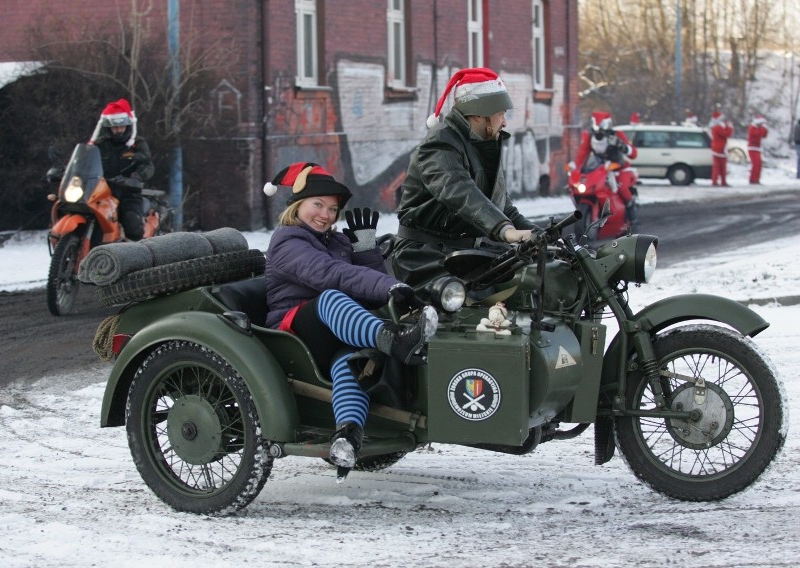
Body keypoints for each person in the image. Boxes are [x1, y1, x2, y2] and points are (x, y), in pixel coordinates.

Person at [262, 162, 438, 482]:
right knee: (331, 297)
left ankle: (348, 435)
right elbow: (333, 276)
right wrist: (389, 287)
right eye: (318, 205)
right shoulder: (288, 241)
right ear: (297, 205)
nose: (326, 215)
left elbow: (371, 294)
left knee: (351, 362)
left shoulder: (336, 242)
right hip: (294, 332)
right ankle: (394, 341)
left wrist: (367, 249)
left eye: (332, 208)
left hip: (339, 329)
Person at [391, 67, 539, 289]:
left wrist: (539, 235)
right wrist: (504, 230)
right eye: (501, 113)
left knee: (530, 283)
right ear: (480, 113)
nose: (505, 122)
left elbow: (501, 206)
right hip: (424, 257)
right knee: (469, 316)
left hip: (464, 254)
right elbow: (460, 192)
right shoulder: (439, 144)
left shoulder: (482, 144)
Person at [89, 98, 155, 241]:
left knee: (132, 224)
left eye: (121, 127)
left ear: (128, 125)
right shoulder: (100, 144)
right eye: (115, 127)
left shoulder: (137, 143)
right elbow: (86, 160)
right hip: (102, 193)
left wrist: (136, 177)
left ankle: (138, 257)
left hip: (128, 193)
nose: (118, 130)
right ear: (108, 127)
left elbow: (148, 165)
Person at [572, 111, 639, 228]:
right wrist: (576, 167)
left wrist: (621, 145)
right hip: (600, 169)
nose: (599, 133)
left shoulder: (617, 134)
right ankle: (595, 211)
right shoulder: (590, 136)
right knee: (586, 187)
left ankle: (632, 214)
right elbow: (582, 153)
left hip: (619, 167)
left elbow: (633, 153)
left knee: (622, 188)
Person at [709, 110, 733, 187]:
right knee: (720, 167)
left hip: (718, 148)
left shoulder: (716, 126)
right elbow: (726, 134)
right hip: (720, 148)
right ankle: (718, 181)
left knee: (719, 167)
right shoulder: (717, 127)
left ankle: (718, 181)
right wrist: (730, 127)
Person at [747, 114, 768, 184]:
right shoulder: (752, 127)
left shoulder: (759, 128)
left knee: (759, 164)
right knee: (756, 164)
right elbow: (758, 134)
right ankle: (753, 179)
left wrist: (765, 129)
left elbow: (764, 135)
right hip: (752, 148)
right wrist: (763, 129)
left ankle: (756, 179)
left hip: (757, 148)